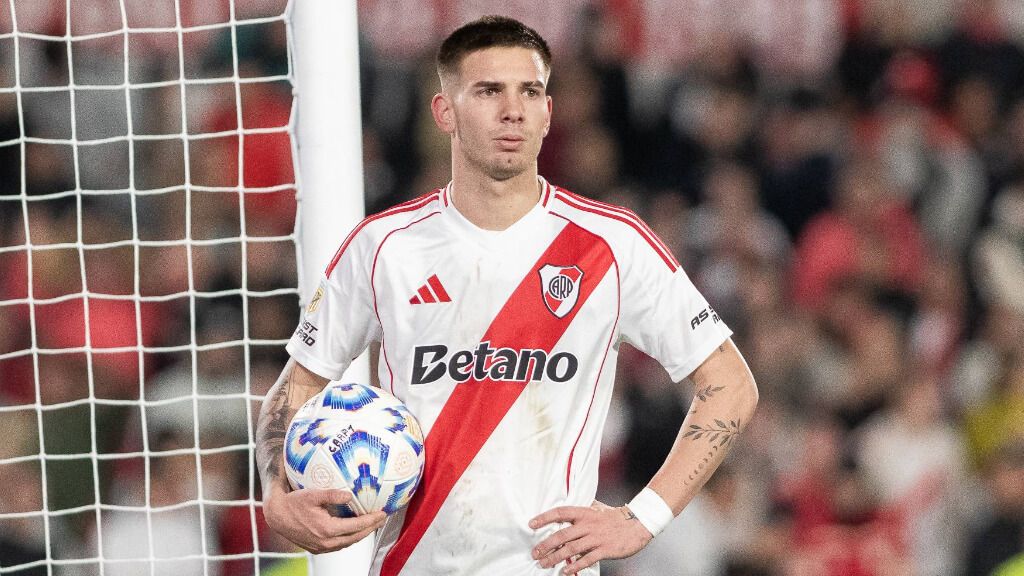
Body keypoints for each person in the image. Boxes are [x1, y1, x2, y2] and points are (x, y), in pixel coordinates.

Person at [255, 15, 758, 576]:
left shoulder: (612, 245)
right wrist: (277, 492)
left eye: (531, 91)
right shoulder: (383, 247)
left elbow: (730, 384)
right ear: (445, 112)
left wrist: (644, 516)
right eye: (489, 91)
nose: (513, 109)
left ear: (548, 113)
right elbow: (299, 381)